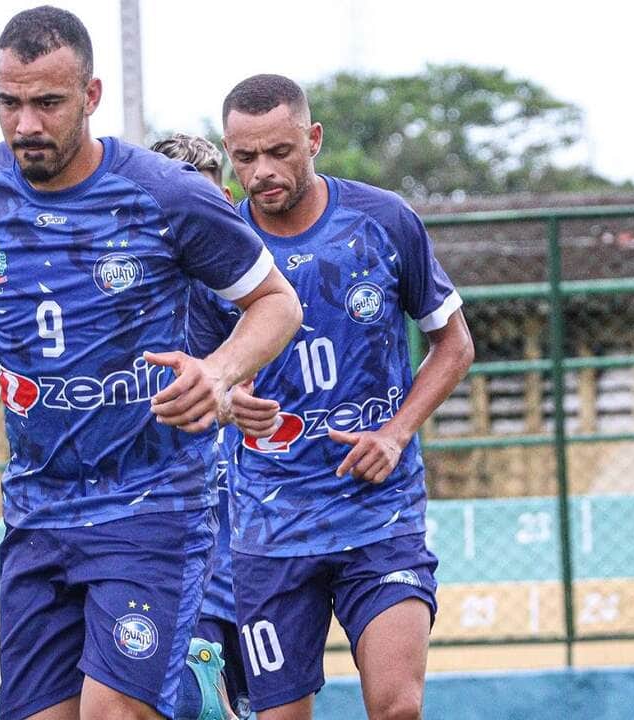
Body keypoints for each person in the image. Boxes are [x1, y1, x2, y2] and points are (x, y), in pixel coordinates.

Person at [0, 7, 302, 720]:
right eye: (8, 103)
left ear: (91, 96)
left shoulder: (166, 195)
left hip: (152, 505)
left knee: (114, 714)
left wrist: (218, 371)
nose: (26, 125)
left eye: (47, 103)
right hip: (38, 510)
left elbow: (276, 304)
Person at [217, 75, 475, 720]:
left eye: (279, 152)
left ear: (314, 139)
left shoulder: (383, 220)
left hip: (377, 515)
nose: (261, 172)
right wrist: (225, 398)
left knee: (397, 708)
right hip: (268, 530)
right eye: (244, 157)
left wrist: (394, 433)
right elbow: (197, 376)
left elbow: (454, 345)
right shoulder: (218, 246)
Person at [150, 133, 251, 720]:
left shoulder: (251, 294)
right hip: (158, 543)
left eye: (207, 204)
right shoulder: (126, 295)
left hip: (247, 539)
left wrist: (226, 399)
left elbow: (274, 400)